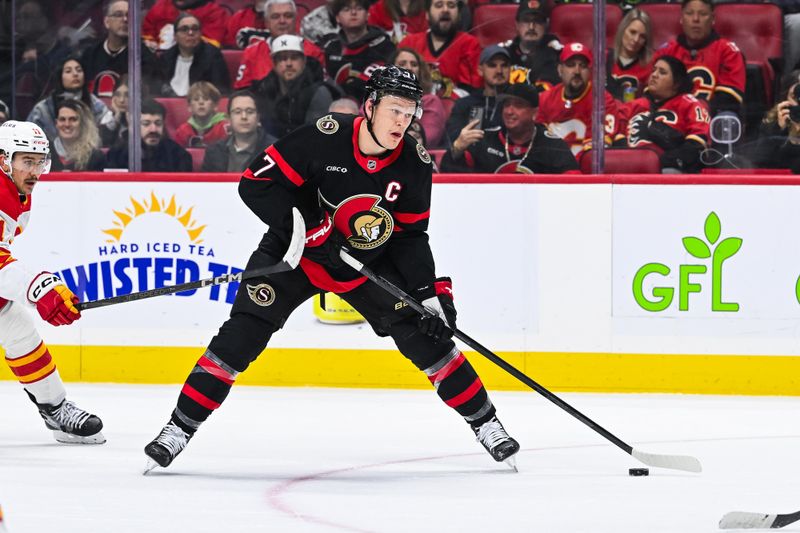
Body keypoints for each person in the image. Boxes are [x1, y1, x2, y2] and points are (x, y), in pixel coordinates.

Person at [143, 66, 520, 471]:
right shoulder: (324, 136)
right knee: (239, 338)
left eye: (410, 112)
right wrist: (306, 224)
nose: (402, 121)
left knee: (429, 342)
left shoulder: (414, 162)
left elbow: (410, 237)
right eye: (394, 109)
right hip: (294, 254)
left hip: (366, 261)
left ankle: (487, 424)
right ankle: (178, 429)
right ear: (370, 106)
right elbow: (254, 183)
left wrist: (428, 292)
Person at [0, 120, 104, 444]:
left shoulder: (17, 191)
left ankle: (56, 410)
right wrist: (40, 288)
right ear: (4, 160)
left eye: (39, 161)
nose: (34, 171)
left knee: (18, 331)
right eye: (26, 161)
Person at [442, 83, 578, 173]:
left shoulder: (552, 146)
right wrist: (456, 149)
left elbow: (575, 187)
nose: (509, 111)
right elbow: (449, 179)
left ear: (535, 113)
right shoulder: (484, 140)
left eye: (518, 105)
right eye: (506, 105)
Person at [615, 56, 710, 173]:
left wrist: (658, 161)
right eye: (653, 70)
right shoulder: (634, 105)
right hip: (628, 167)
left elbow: (696, 146)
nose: (654, 75)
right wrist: (627, 158)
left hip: (666, 170)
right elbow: (615, 133)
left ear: (676, 83)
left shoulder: (690, 104)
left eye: (662, 72)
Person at [652, 0, 745, 117]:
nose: (696, 19)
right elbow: (652, 92)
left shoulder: (728, 51)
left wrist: (692, 113)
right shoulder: (666, 51)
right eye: (689, 13)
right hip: (667, 120)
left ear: (713, 19)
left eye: (703, 14)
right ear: (681, 18)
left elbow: (729, 99)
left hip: (710, 120)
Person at [536, 43, 618, 156]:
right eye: (571, 65)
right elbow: (537, 141)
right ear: (560, 70)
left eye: (583, 66)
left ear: (590, 71)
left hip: (585, 169)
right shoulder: (545, 99)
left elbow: (595, 151)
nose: (577, 71)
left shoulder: (602, 101)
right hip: (550, 167)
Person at [252, 35, 340, 137]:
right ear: (274, 64)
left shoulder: (318, 92)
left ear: (303, 62)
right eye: (282, 59)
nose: (289, 63)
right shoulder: (264, 89)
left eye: (294, 58)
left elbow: (316, 136)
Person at [233, 0, 327, 90]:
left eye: (288, 16)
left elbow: (321, 90)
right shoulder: (252, 52)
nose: (282, 21)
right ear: (266, 23)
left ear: (296, 20)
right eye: (275, 16)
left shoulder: (313, 51)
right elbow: (242, 91)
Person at [397, 0, 482, 98]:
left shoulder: (469, 44)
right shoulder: (409, 43)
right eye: (438, 5)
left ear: (459, 14)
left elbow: (470, 90)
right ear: (427, 14)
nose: (445, 10)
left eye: (451, 5)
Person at [26, 55, 117, 143]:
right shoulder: (43, 109)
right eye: (68, 71)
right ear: (60, 76)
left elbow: (109, 131)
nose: (75, 74)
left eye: (79, 70)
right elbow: (28, 137)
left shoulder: (96, 104)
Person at [321, 0, 396, 101]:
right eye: (346, 9)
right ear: (337, 18)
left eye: (359, 8)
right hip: (337, 105)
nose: (353, 13)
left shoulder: (385, 46)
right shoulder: (331, 48)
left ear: (367, 15)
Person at [445, 45, 510, 147]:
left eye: (504, 65)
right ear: (480, 70)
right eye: (492, 65)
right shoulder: (465, 104)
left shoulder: (517, 104)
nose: (499, 71)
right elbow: (454, 138)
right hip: (473, 159)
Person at [106, 99, 193, 172]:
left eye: (158, 123)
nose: (153, 129)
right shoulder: (116, 155)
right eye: (146, 123)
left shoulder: (178, 156)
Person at [157, 14, 231, 97]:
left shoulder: (213, 55)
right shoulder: (166, 57)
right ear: (175, 36)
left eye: (195, 29)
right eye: (184, 29)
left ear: (200, 33)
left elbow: (221, 90)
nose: (190, 33)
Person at [201, 90, 277, 172]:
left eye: (250, 112)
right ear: (229, 118)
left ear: (258, 118)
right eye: (237, 112)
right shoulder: (214, 152)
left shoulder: (276, 151)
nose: (244, 117)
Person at [499, 0, 561, 89]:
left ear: (546, 25)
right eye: (526, 20)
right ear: (517, 24)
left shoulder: (556, 54)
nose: (531, 27)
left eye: (537, 21)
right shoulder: (504, 52)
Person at [390, 47, 446, 147]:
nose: (409, 68)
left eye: (414, 64)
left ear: (420, 72)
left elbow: (429, 137)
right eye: (402, 64)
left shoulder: (430, 101)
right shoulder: (377, 99)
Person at [142, 0, 229, 50]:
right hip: (160, 64)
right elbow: (147, 36)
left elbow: (211, 48)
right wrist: (150, 44)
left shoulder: (214, 12)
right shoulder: (160, 7)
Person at [608, 8, 653, 103]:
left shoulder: (650, 67)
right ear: (623, 30)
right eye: (632, 32)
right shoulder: (602, 58)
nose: (636, 39)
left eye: (642, 36)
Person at [49, 100, 106, 172]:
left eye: (73, 119)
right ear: (56, 123)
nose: (67, 124)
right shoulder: (43, 153)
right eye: (62, 119)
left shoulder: (95, 157)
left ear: (82, 123)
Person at [174, 82, 229, 148]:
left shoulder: (224, 127)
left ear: (215, 105)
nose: (201, 102)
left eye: (206, 99)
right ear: (189, 107)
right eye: (196, 99)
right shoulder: (183, 131)